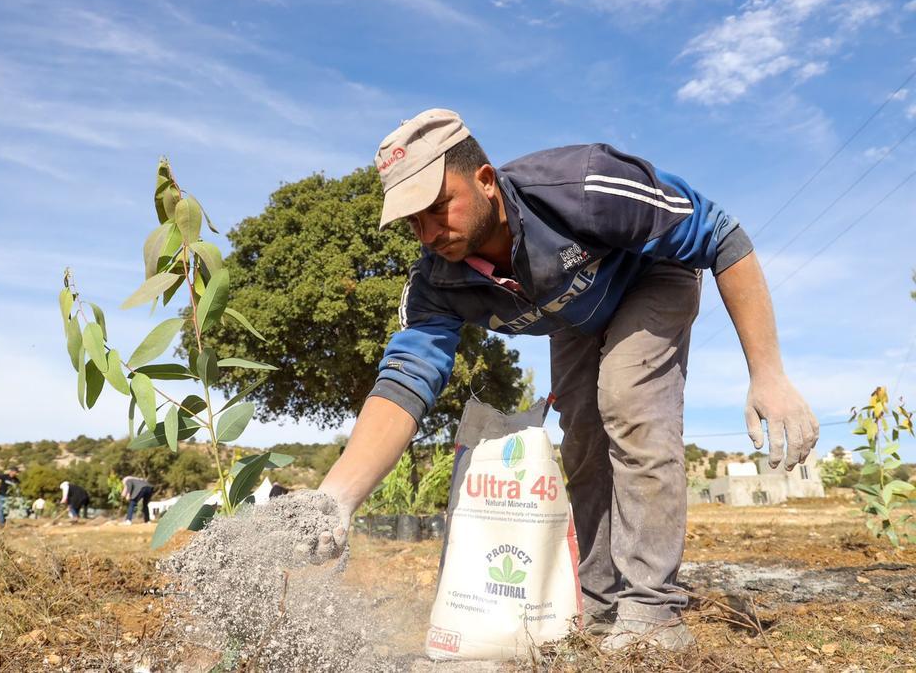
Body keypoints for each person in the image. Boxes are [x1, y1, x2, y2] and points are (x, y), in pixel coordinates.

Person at [304, 109, 819, 651]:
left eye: (438, 207)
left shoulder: (580, 187)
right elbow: (405, 380)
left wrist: (768, 374)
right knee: (582, 442)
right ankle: (599, 603)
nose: (429, 233)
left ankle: (653, 612)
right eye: (413, 221)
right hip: (574, 314)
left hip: (650, 275)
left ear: (484, 180)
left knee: (628, 400)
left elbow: (721, 235)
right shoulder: (437, 283)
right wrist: (334, 499)